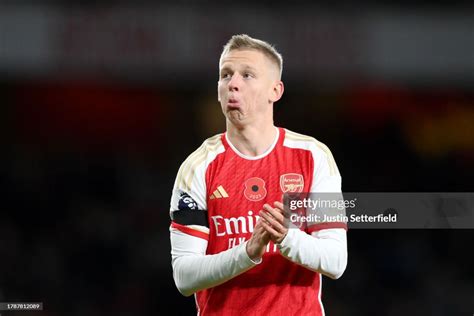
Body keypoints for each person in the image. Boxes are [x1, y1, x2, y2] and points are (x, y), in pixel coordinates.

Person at [169, 34, 347, 315]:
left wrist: (287, 238)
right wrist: (248, 252)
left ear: (275, 91)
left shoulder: (313, 157)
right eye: (225, 75)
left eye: (247, 75)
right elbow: (184, 276)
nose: (233, 84)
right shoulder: (197, 167)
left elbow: (336, 261)